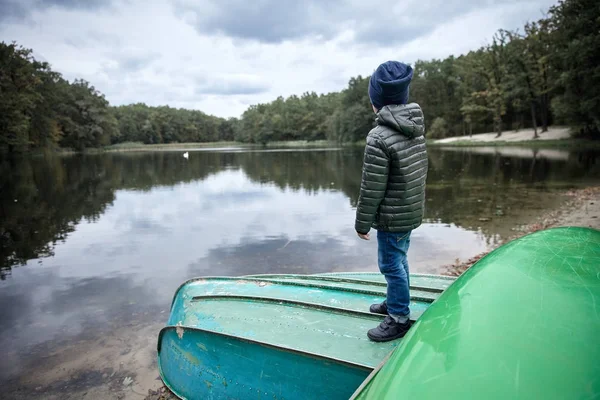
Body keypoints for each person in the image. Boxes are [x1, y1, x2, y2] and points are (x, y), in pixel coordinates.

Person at [355, 60, 428, 342]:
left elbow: (371, 187)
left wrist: (362, 223)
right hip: (409, 210)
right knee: (399, 258)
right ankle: (395, 300)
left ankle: (398, 317)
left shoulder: (378, 137)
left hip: (391, 216)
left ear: (377, 101)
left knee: (390, 264)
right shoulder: (415, 129)